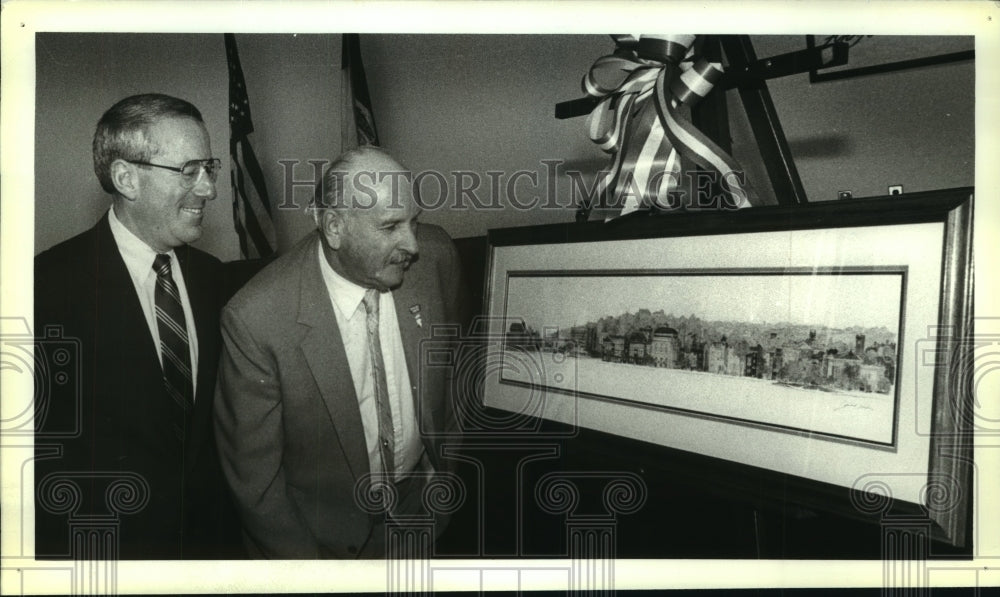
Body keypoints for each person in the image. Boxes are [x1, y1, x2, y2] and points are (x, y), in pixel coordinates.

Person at [214, 146, 463, 558]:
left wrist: (444, 477)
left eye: (414, 222)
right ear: (334, 226)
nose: (413, 244)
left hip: (424, 518)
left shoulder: (437, 258)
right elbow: (255, 483)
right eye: (390, 226)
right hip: (322, 543)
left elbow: (451, 370)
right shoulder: (256, 318)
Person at [34, 93, 243, 559]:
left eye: (209, 169)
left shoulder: (214, 279)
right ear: (126, 178)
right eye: (189, 171)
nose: (209, 189)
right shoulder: (42, 289)